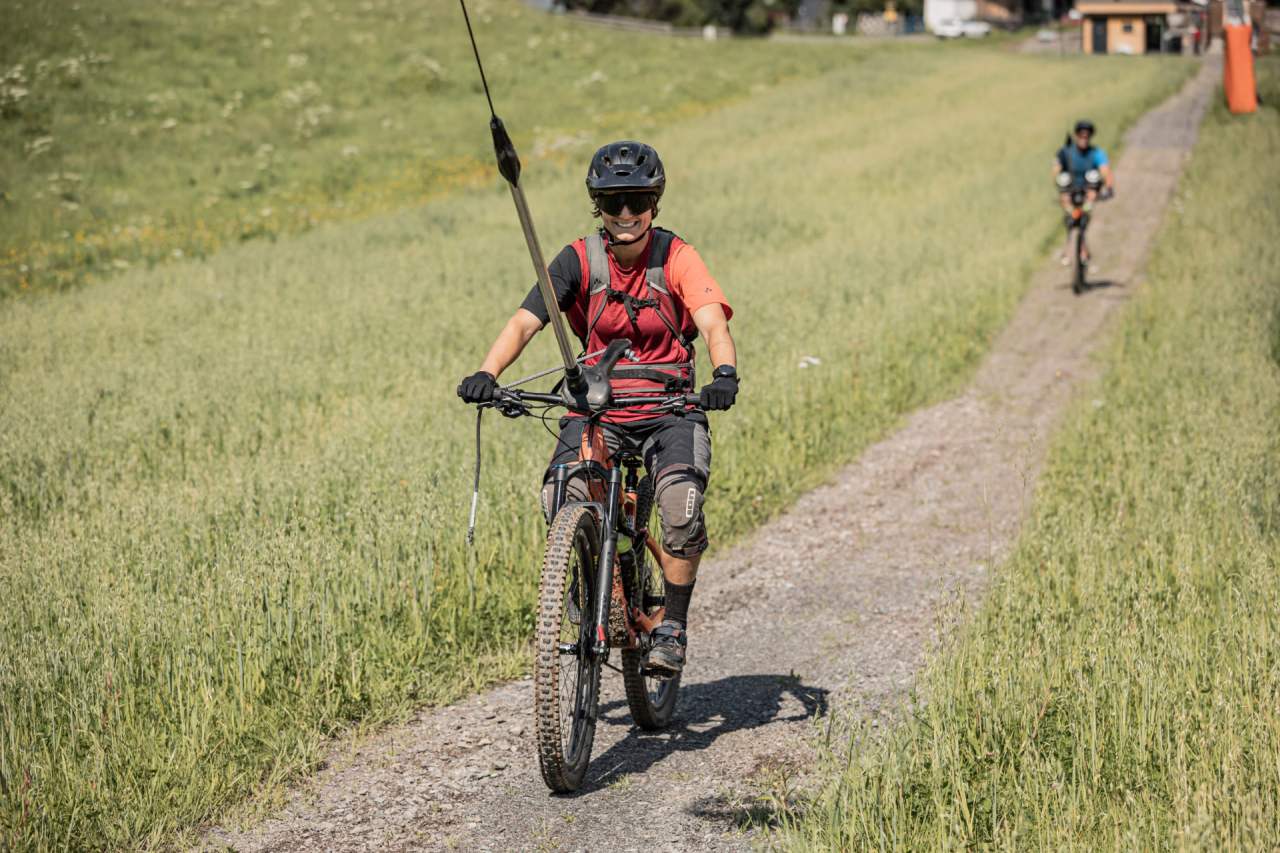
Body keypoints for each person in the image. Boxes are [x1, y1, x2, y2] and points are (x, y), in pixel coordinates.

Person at [457, 141, 738, 676]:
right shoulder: (578, 259)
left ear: (654, 201)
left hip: (669, 406)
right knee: (559, 493)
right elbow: (525, 322)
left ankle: (672, 625)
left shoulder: (676, 257)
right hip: (599, 409)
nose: (626, 214)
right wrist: (487, 373)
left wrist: (724, 373)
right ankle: (593, 580)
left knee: (679, 505)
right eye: (613, 203)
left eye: (636, 200)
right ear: (598, 207)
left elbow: (711, 322)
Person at [1053, 119, 1115, 266]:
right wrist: (1058, 180)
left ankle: (1081, 246)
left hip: (1088, 190)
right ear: (1076, 135)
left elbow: (1105, 172)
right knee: (1068, 209)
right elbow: (1055, 171)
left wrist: (1109, 187)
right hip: (1070, 188)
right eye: (1081, 135)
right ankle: (1070, 246)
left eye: (1087, 136)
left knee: (1087, 207)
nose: (1084, 138)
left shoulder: (1096, 153)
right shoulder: (1066, 152)